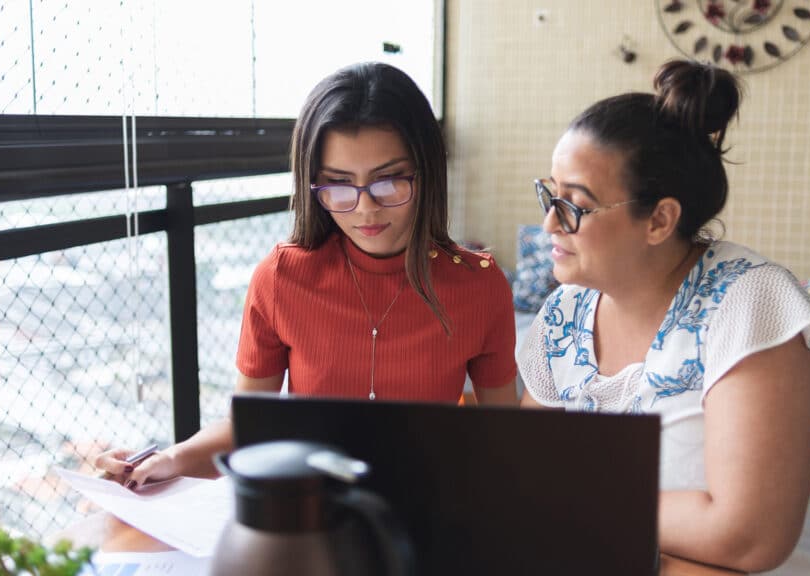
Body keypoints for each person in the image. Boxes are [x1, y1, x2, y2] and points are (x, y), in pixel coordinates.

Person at [96, 62, 518, 487]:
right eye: (338, 184)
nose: (366, 208)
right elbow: (247, 430)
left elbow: (505, 440)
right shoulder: (281, 279)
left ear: (427, 172)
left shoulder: (479, 285)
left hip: (427, 506)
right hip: (311, 511)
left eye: (389, 181)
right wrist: (167, 460)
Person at [517, 60, 810, 575]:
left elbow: (745, 537)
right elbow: (518, 476)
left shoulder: (751, 305)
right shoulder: (565, 312)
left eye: (575, 205)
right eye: (551, 194)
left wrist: (569, 503)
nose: (549, 223)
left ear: (659, 220)